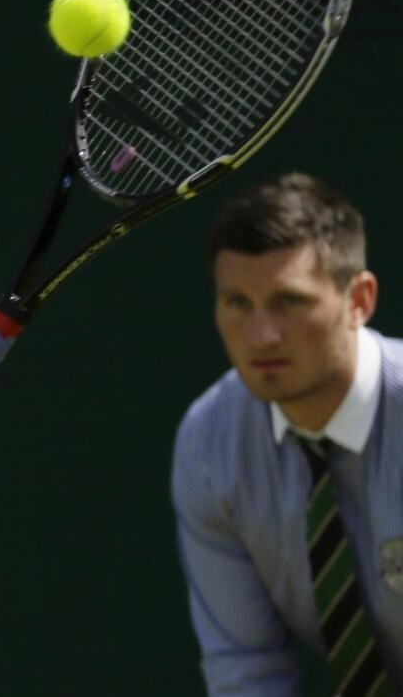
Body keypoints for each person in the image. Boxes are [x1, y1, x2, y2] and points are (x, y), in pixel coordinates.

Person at [172, 172, 401, 696]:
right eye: (237, 304)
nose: (262, 336)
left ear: (359, 301)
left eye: (288, 301)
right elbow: (247, 672)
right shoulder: (208, 444)